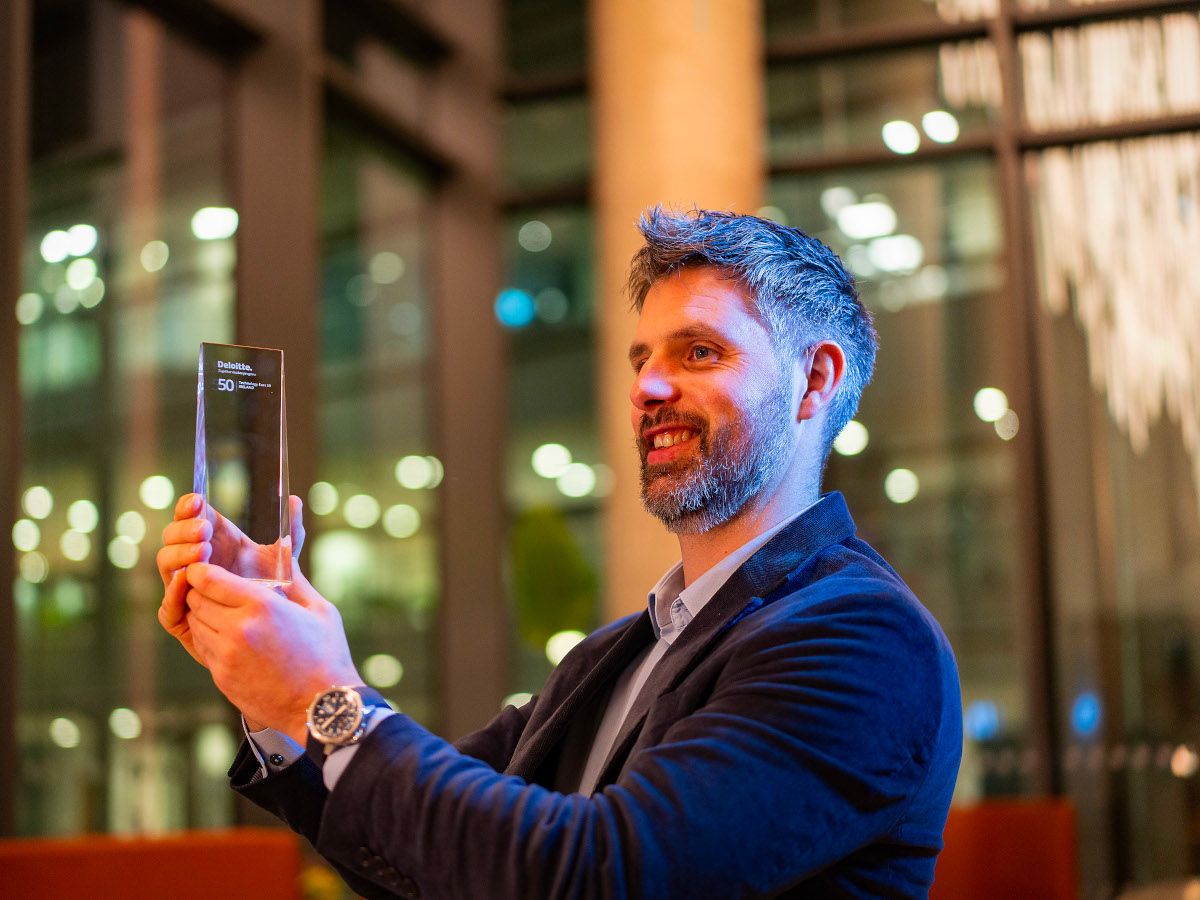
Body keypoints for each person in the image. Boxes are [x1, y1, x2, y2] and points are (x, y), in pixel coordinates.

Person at [158, 207, 962, 899]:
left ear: (815, 380)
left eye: (700, 352)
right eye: (642, 358)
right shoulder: (616, 654)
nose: (646, 389)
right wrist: (267, 683)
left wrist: (322, 699)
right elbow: (433, 865)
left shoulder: (864, 640)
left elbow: (600, 878)